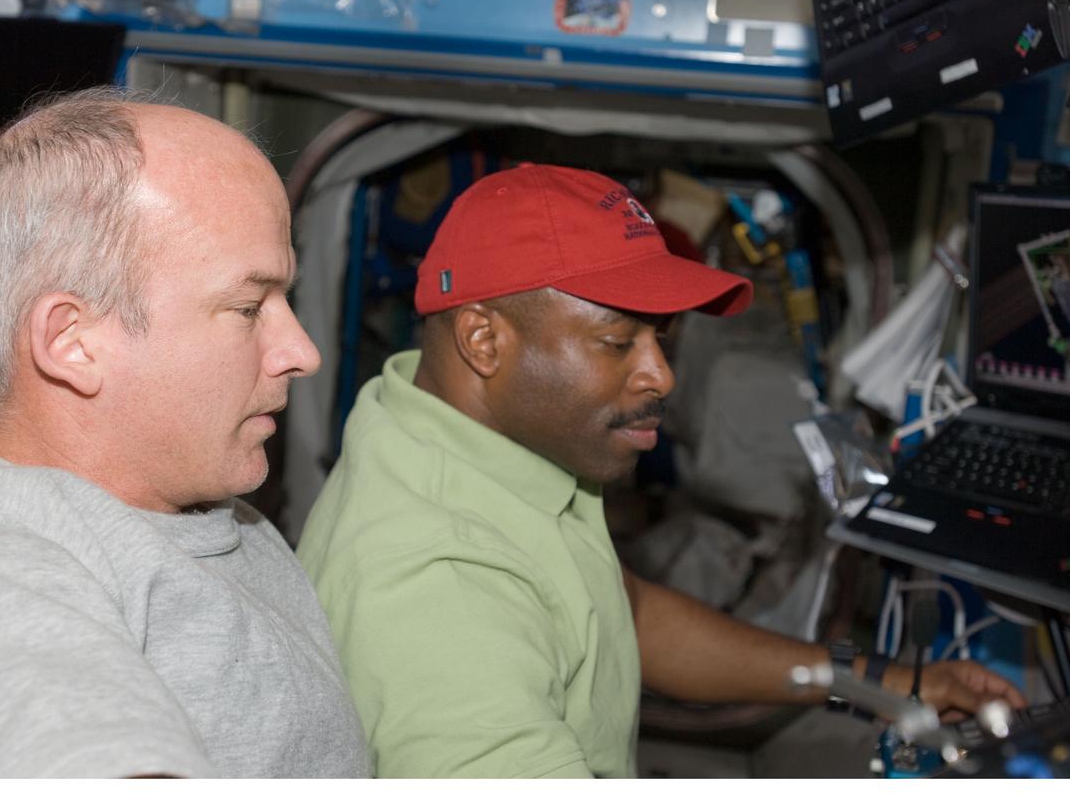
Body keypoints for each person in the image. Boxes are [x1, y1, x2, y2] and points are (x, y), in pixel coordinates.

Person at [296, 163, 1026, 778]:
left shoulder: (474, 443)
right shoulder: (434, 582)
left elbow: (621, 612)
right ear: (484, 339)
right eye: (618, 342)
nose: (662, 376)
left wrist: (879, 681)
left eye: (660, 339)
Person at [0, 89, 369, 778]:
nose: (302, 351)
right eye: (248, 307)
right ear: (74, 343)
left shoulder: (217, 519)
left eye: (285, 301)